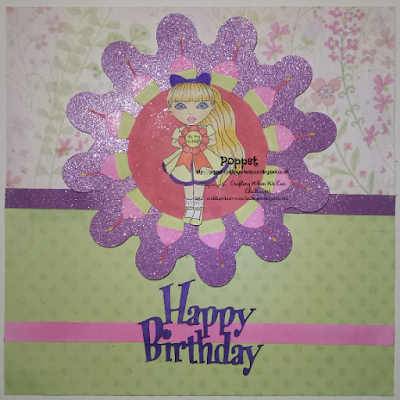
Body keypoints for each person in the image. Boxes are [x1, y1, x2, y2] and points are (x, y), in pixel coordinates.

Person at [162, 73, 245, 225]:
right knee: (187, 184)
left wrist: (201, 142)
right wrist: (185, 142)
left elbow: (211, 140)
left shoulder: (207, 129)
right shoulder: (180, 131)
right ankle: (189, 210)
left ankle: (197, 212)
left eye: (201, 105)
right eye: (180, 106)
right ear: (170, 108)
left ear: (212, 106)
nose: (191, 112)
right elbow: (176, 142)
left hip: (204, 159)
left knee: (199, 184)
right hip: (184, 159)